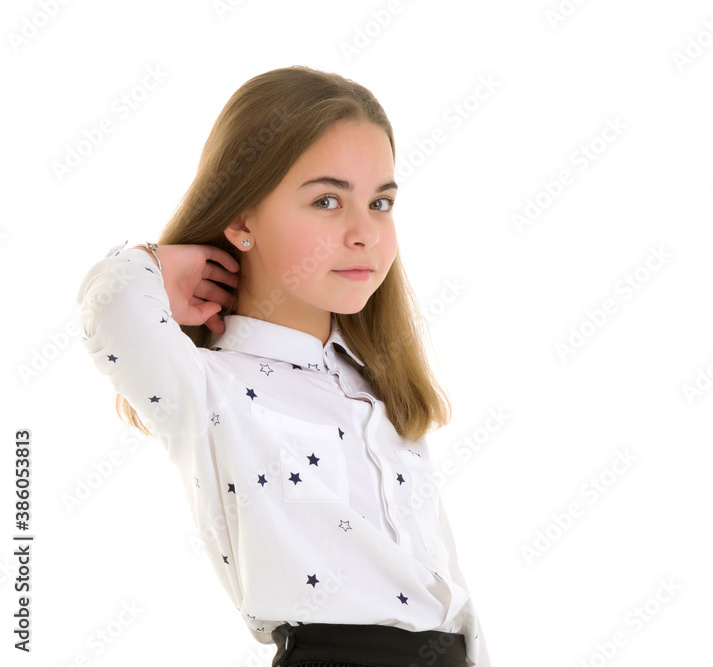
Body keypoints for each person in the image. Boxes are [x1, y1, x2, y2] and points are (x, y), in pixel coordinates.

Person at [76, 66, 489, 667]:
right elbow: (113, 305)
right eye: (327, 200)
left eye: (380, 202)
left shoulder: (377, 390)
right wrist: (155, 262)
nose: (364, 233)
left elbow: (441, 590)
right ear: (243, 221)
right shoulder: (211, 390)